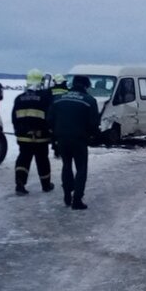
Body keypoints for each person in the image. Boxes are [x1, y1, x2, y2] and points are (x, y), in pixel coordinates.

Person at [49, 75, 99, 210]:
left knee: (66, 165)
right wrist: (92, 136)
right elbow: (94, 123)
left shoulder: (58, 99)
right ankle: (77, 199)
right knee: (81, 168)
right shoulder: (89, 100)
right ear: (86, 86)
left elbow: (50, 119)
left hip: (62, 139)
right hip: (79, 140)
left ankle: (67, 194)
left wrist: (54, 139)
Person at [12, 68, 54, 195]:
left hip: (23, 137)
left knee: (23, 159)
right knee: (42, 161)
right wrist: (50, 133)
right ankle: (46, 185)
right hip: (41, 137)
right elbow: (49, 117)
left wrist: (18, 131)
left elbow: (14, 118)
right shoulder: (45, 98)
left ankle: (20, 184)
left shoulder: (19, 99)